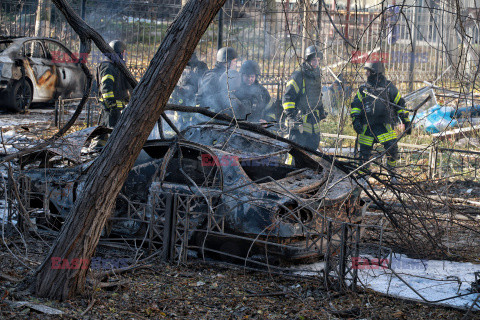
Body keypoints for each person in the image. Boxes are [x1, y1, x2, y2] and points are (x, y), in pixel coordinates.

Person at [350, 61, 412, 181]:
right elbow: (355, 106)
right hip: (366, 126)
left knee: (392, 149)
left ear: (375, 73)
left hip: (384, 125)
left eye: (368, 71)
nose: (366, 74)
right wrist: (356, 121)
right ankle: (362, 177)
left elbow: (400, 105)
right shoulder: (363, 89)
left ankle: (392, 174)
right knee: (364, 154)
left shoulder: (389, 88)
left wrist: (406, 122)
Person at [282, 45, 326, 150]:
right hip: (299, 121)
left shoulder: (317, 75)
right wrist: (291, 117)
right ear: (308, 60)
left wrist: (321, 110)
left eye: (318, 60)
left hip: (313, 120)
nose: (316, 63)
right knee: (296, 152)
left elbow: (317, 94)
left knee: (311, 151)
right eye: (314, 60)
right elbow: (288, 97)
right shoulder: (298, 75)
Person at [97, 40, 133, 129]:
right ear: (121, 52)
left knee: (111, 134)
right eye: (124, 52)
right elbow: (106, 87)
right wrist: (112, 105)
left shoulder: (118, 66)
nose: (125, 55)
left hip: (118, 108)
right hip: (111, 110)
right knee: (110, 134)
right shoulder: (108, 67)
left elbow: (129, 85)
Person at [195, 47, 237, 113]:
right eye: (234, 61)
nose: (235, 64)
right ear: (227, 62)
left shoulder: (225, 75)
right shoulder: (212, 76)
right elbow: (203, 99)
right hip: (210, 117)